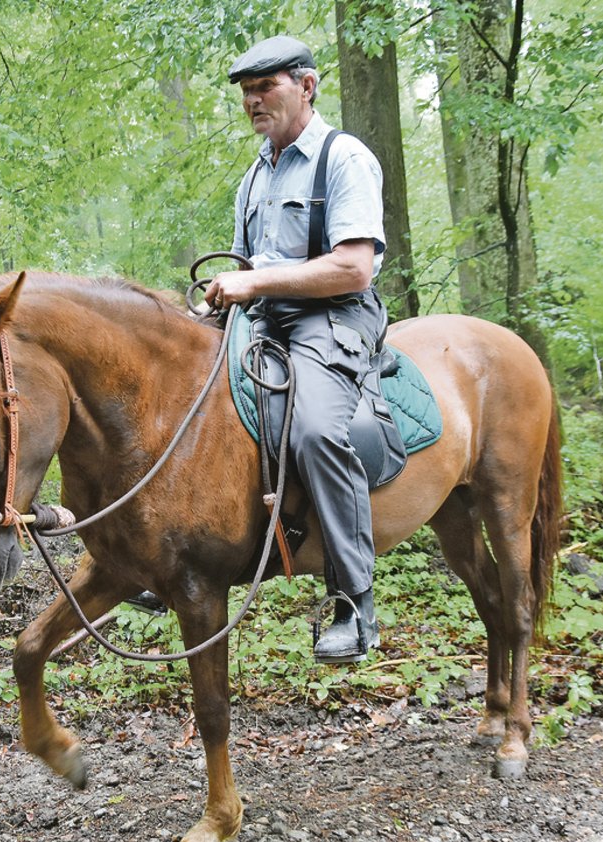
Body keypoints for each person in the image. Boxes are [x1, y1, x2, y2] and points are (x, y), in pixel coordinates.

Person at [205, 35, 388, 664]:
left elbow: (354, 269)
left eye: (267, 87)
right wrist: (214, 303)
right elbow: (242, 265)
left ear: (306, 87)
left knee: (313, 430)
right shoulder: (255, 174)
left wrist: (254, 281)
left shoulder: (345, 159)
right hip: (263, 321)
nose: (254, 101)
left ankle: (356, 602)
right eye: (247, 92)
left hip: (333, 318)